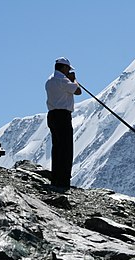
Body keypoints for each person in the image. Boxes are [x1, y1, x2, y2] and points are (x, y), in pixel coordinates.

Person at [45, 57, 82, 190]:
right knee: (66, 149)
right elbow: (78, 91)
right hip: (63, 116)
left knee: (57, 148)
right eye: (68, 69)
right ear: (64, 68)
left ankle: (55, 179)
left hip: (52, 115)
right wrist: (74, 80)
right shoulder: (63, 81)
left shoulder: (49, 81)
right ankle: (63, 181)